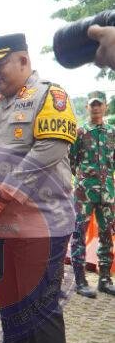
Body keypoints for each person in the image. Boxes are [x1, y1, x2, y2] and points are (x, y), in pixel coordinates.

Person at [0, 33, 76, 343]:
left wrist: (3, 193)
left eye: (1, 64)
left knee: (38, 310)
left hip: (40, 228)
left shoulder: (50, 96)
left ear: (24, 60)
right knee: (11, 309)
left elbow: (50, 148)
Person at [68, 90, 115, 297]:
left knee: (106, 235)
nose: (96, 108)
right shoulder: (80, 132)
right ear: (87, 107)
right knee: (79, 234)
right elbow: (71, 161)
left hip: (107, 192)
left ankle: (104, 279)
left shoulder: (112, 132)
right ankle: (80, 281)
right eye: (92, 104)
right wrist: (83, 180)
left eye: (99, 104)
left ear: (105, 106)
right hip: (84, 194)